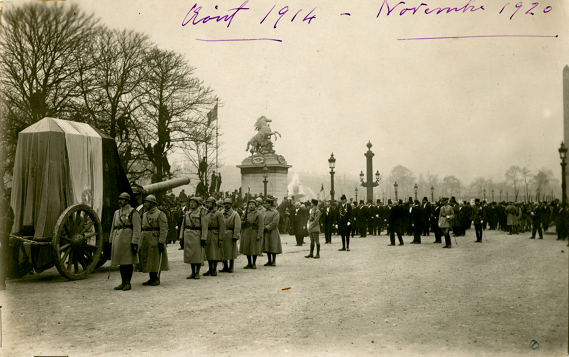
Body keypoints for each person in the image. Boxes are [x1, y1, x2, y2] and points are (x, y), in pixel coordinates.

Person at [109, 193, 141, 291]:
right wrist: (111, 240)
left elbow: (137, 228)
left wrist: (135, 242)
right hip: (118, 239)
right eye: (119, 199)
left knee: (128, 262)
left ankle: (128, 283)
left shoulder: (133, 212)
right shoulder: (116, 212)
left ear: (127, 201)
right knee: (121, 262)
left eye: (122, 199)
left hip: (128, 239)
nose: (120, 201)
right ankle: (123, 282)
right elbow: (113, 227)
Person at [139, 195, 169, 286]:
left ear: (152, 203)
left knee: (156, 260)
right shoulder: (144, 214)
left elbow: (164, 229)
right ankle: (151, 278)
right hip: (145, 239)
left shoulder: (160, 214)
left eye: (147, 202)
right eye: (144, 202)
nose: (145, 204)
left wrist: (161, 241)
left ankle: (156, 278)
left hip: (155, 239)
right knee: (149, 260)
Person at [181, 196, 208, 279]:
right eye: (191, 202)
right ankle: (192, 272)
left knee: (197, 255)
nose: (192, 204)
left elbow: (204, 226)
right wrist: (181, 237)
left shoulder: (201, 213)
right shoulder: (187, 213)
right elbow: (183, 226)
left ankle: (197, 272)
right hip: (188, 235)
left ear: (197, 204)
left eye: (194, 202)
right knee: (190, 255)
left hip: (197, 235)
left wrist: (204, 238)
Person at [203, 197, 226, 276]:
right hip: (208, 233)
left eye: (209, 203)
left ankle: (214, 269)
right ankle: (210, 269)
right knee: (208, 252)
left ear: (213, 204)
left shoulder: (218, 213)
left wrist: (220, 238)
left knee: (214, 252)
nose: (208, 204)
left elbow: (222, 227)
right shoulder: (206, 212)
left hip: (215, 234)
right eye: (207, 203)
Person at [240, 199, 264, 269]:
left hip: (254, 232)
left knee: (254, 249)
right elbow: (240, 221)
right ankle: (249, 263)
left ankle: (254, 263)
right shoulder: (245, 213)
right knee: (247, 248)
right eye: (250, 204)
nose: (251, 206)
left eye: (252, 204)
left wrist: (260, 234)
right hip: (246, 232)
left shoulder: (258, 214)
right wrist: (244, 222)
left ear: (255, 206)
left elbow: (261, 225)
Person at [221, 198, 241, 273]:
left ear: (231, 205)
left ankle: (231, 267)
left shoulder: (235, 214)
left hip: (230, 233)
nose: (226, 205)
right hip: (223, 234)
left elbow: (237, 226)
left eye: (228, 204)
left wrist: (236, 235)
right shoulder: (221, 213)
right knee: (223, 251)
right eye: (225, 204)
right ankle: (225, 266)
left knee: (231, 251)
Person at [262, 196, 282, 266]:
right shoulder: (264, 212)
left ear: (270, 204)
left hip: (273, 231)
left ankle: (274, 261)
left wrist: (267, 227)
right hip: (266, 231)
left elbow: (275, 222)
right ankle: (269, 260)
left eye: (267, 203)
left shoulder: (275, 212)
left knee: (273, 245)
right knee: (267, 245)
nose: (265, 205)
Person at [0, 195, 14, 290]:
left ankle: (1, 282)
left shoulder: (2, 202)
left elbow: (10, 217)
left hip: (3, 230)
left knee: (2, 254)